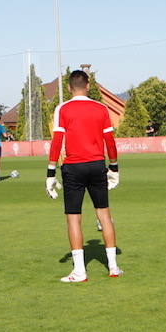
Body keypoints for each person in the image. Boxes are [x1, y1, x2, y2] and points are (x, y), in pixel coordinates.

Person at [45, 70, 121, 281]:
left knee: (73, 218)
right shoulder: (101, 108)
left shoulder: (63, 108)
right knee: (104, 215)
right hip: (98, 165)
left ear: (69, 88)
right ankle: (113, 267)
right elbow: (110, 141)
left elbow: (57, 141)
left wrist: (50, 173)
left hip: (73, 168)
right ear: (88, 85)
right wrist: (114, 167)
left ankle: (80, 271)